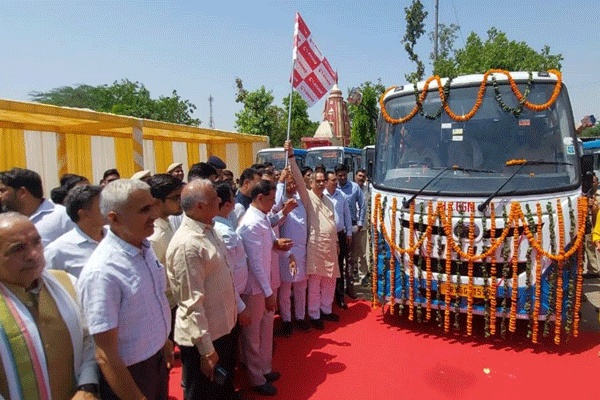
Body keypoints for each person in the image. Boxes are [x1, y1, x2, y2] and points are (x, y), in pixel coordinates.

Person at [77, 179, 172, 400]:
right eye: (144, 210)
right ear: (114, 218)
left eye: (153, 206)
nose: (154, 215)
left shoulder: (144, 247)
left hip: (156, 361)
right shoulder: (102, 272)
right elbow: (105, 354)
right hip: (131, 375)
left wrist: (163, 341)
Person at [0, 212, 98, 400]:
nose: (33, 254)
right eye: (18, 248)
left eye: (36, 242)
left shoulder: (67, 283)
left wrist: (87, 386)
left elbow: (90, 339)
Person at [166, 179, 243, 400]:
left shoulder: (210, 228)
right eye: (214, 199)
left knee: (223, 390)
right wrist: (206, 350)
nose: (219, 200)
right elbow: (191, 303)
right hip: (204, 340)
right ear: (200, 206)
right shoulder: (187, 244)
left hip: (223, 330)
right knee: (203, 393)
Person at [237, 180, 294, 396]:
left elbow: (271, 243)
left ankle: (264, 368)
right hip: (255, 288)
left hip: (265, 284)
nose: (273, 204)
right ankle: (256, 378)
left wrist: (279, 246)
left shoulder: (261, 217)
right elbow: (255, 263)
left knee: (265, 331)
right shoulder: (250, 223)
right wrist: (269, 293)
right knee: (253, 336)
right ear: (259, 198)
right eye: (271, 200)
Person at [286, 141, 340, 330]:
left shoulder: (329, 201)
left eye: (322, 181)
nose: (320, 183)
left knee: (330, 280)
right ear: (310, 183)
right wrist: (291, 157)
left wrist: (337, 242)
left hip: (331, 246)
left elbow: (332, 224)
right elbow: (298, 179)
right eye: (317, 181)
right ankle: (314, 314)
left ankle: (326, 310)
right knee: (315, 283)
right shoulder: (308, 197)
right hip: (316, 246)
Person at [0, 168, 76, 246]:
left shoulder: (62, 216)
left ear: (22, 192)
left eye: (2, 191)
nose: (0, 196)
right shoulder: (5, 221)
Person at [276, 168, 310, 335]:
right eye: (289, 183)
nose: (292, 186)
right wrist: (281, 181)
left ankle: (300, 316)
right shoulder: (281, 202)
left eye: (294, 183)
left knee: (301, 286)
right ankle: (287, 320)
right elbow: (276, 212)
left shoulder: (302, 200)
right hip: (286, 251)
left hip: (302, 250)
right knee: (285, 288)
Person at [147, 174, 185, 323]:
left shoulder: (166, 224)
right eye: (175, 198)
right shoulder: (155, 237)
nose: (180, 201)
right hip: (166, 309)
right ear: (157, 202)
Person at [45, 185, 105, 278]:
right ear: (84, 214)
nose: (110, 209)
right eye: (102, 206)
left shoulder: (118, 236)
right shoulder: (58, 251)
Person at [325, 171, 353, 310]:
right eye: (333, 180)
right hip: (327, 237)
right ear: (326, 182)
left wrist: (349, 232)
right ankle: (326, 298)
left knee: (339, 266)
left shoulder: (341, 195)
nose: (336, 183)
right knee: (327, 268)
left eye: (336, 180)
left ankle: (340, 296)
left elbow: (347, 214)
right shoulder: (321, 196)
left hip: (340, 235)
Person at [336, 163, 364, 300]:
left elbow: (362, 205)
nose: (342, 177)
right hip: (338, 230)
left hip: (352, 227)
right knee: (338, 260)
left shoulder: (354, 187)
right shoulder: (333, 188)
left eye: (344, 175)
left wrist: (360, 223)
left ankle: (350, 287)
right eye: (340, 175)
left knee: (350, 259)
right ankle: (339, 288)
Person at [354, 168, 371, 285]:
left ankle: (363, 275)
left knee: (362, 252)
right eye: (359, 176)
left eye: (363, 176)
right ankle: (352, 274)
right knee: (351, 253)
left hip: (363, 226)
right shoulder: (350, 188)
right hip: (351, 225)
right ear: (355, 176)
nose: (361, 178)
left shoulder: (368, 190)